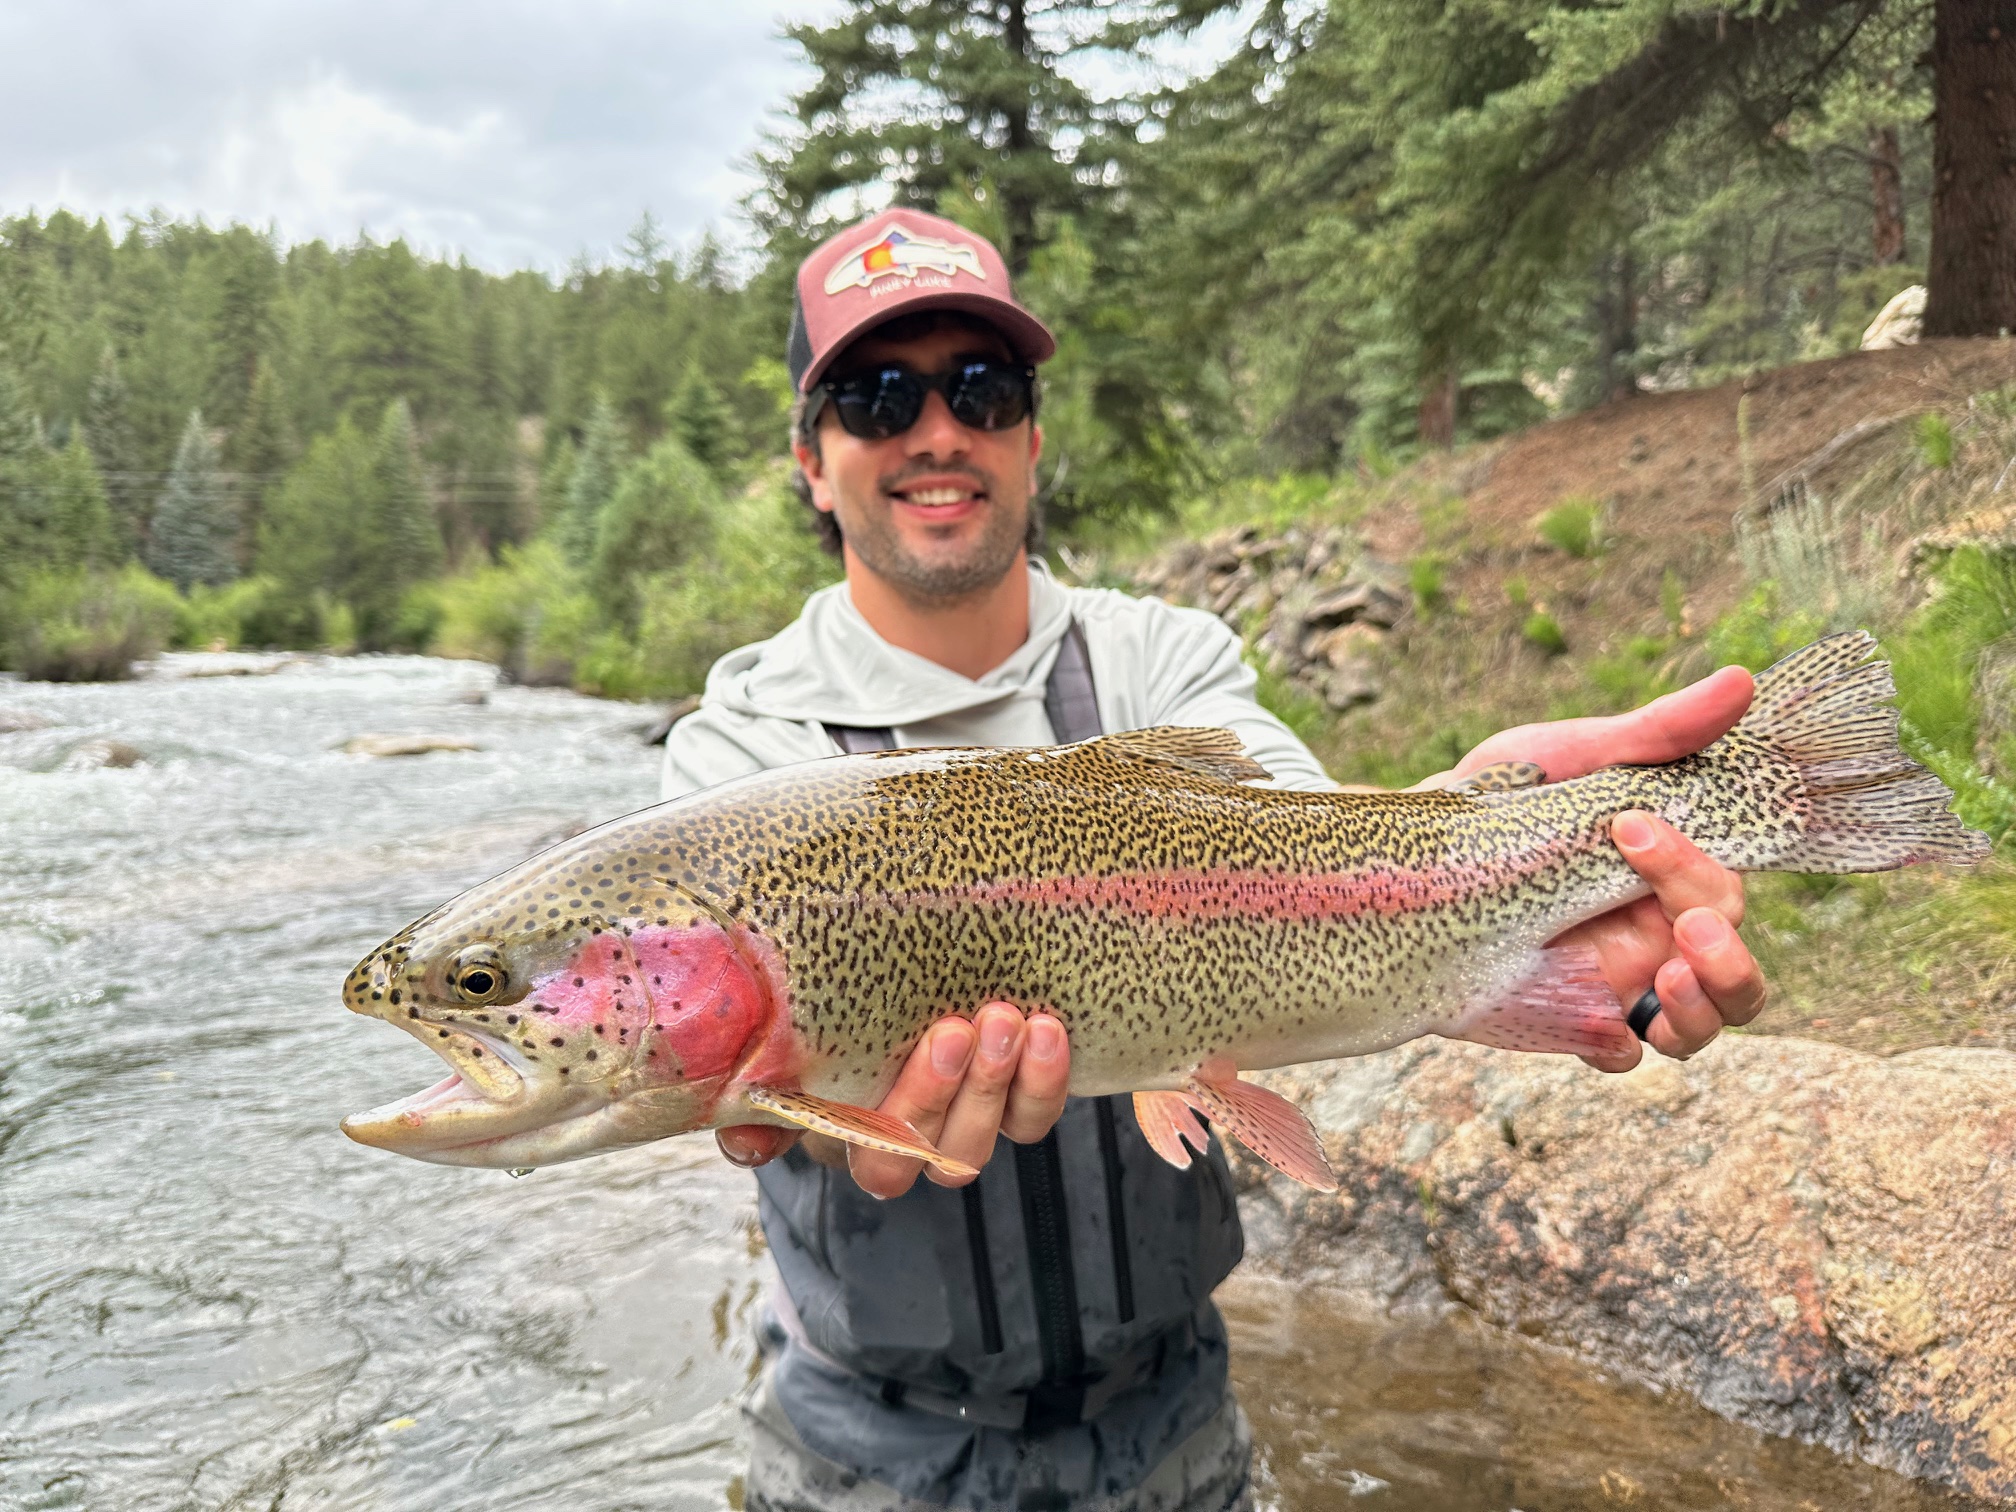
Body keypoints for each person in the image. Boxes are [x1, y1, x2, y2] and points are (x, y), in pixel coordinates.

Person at [659, 208, 1766, 1512]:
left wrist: (1489, 835)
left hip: (1177, 1423)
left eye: (982, 387)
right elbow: (728, 1079)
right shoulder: (738, 763)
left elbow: (1315, 847)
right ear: (810, 456)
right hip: (862, 1449)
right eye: (878, 395)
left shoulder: (1158, 665)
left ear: (1030, 433)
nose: (937, 429)